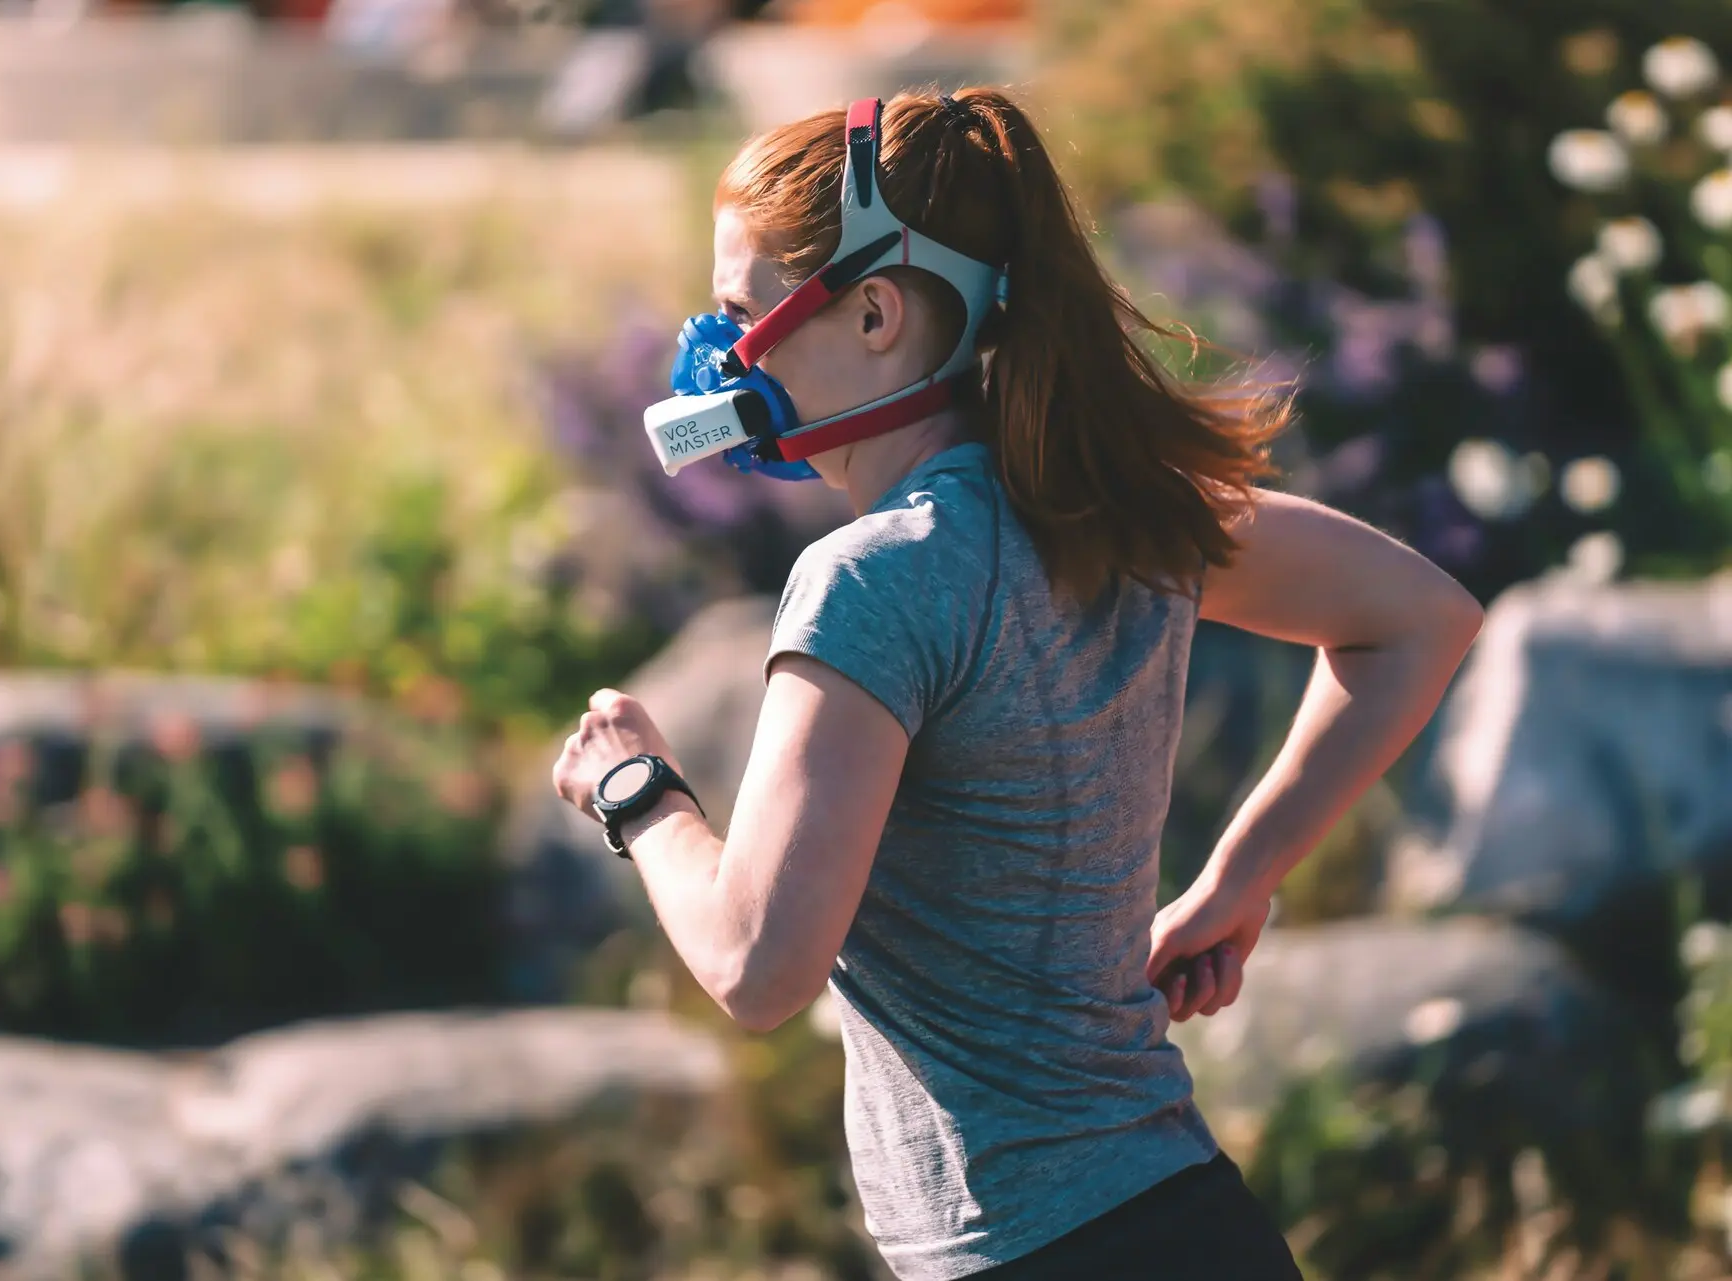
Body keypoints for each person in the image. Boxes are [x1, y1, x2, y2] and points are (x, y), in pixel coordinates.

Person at [552, 86, 1483, 1281]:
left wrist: (638, 788)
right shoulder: (1120, 511)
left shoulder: (869, 583)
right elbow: (1422, 617)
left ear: (876, 311)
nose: (717, 354)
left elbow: (757, 967)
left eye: (741, 312)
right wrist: (1242, 879)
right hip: (1194, 1219)